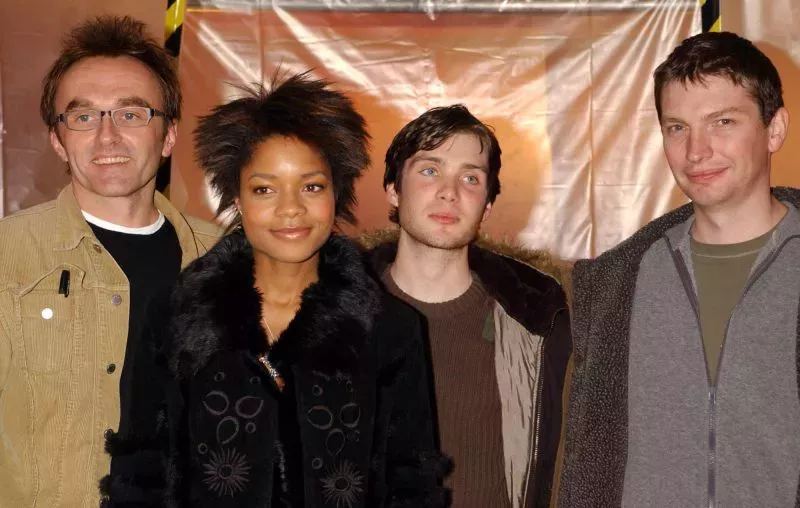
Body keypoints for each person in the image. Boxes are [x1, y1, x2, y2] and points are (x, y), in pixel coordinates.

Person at [101, 73, 449, 507]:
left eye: (311, 186)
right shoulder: (174, 317)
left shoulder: (389, 328)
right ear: (237, 199)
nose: (290, 209)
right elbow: (139, 477)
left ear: (336, 193)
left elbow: (412, 485)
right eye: (264, 189)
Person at [555, 31, 800, 507]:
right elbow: (589, 462)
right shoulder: (617, 283)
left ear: (774, 129)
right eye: (677, 128)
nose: (696, 151)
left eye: (722, 122)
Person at [0, 16, 220, 507]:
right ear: (57, 139)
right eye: (83, 117)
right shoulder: (7, 257)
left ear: (168, 135)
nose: (107, 136)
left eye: (131, 114)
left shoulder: (224, 259)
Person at [365, 105, 572, 507]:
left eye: (470, 178)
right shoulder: (336, 316)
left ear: (487, 204)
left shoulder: (540, 323)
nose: (450, 191)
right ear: (393, 188)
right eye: (430, 170)